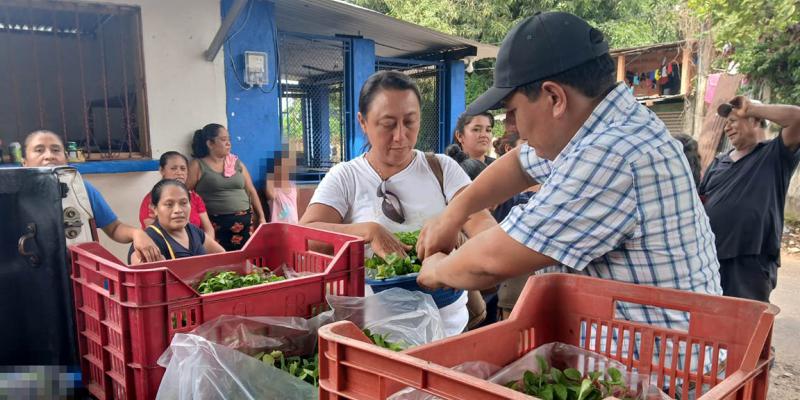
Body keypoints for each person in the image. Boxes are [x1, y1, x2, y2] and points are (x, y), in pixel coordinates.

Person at [415, 12, 721, 338]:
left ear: (554, 98)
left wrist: (436, 270)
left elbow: (491, 262)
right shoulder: (603, 127)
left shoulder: (611, 153)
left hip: (660, 377)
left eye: (513, 111)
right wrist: (455, 212)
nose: (511, 126)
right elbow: (520, 163)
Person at [300, 70, 497, 336]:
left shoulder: (442, 168)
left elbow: (481, 221)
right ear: (363, 122)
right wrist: (368, 232)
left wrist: (470, 248)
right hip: (381, 333)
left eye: (410, 122)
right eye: (388, 124)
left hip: (450, 326)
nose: (400, 136)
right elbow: (307, 238)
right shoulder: (346, 176)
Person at [699, 97, 800, 302]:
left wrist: (752, 108)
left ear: (755, 121)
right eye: (726, 123)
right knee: (710, 326)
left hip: (749, 263)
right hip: (711, 258)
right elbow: (701, 201)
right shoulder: (719, 162)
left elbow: (797, 118)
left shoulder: (774, 154)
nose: (727, 127)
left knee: (744, 328)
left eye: (734, 120)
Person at [21, 130, 162, 262]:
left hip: (81, 274)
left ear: (65, 157)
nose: (49, 155)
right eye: (39, 150)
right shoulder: (13, 197)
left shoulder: (82, 189)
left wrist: (137, 233)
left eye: (56, 150)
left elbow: (114, 228)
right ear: (24, 162)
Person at [187, 123, 266, 251]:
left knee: (245, 258)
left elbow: (251, 190)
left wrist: (261, 216)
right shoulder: (198, 165)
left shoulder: (236, 163)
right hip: (216, 226)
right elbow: (186, 193)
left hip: (245, 223)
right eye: (223, 140)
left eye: (229, 139)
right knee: (221, 262)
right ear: (210, 143)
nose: (228, 143)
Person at [129, 179, 225, 264]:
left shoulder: (193, 230)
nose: (178, 210)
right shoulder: (148, 240)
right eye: (169, 204)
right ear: (154, 209)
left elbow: (223, 257)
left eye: (183, 203)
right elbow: (141, 275)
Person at [138, 152, 215, 238]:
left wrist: (205, 247)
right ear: (162, 170)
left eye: (183, 169)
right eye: (173, 168)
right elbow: (153, 233)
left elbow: (209, 229)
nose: (179, 172)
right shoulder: (152, 199)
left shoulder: (194, 197)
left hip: (198, 246)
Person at [265, 148, 299, 224]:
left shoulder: (293, 185)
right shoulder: (273, 185)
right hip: (277, 227)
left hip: (293, 225)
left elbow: (294, 207)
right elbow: (271, 195)